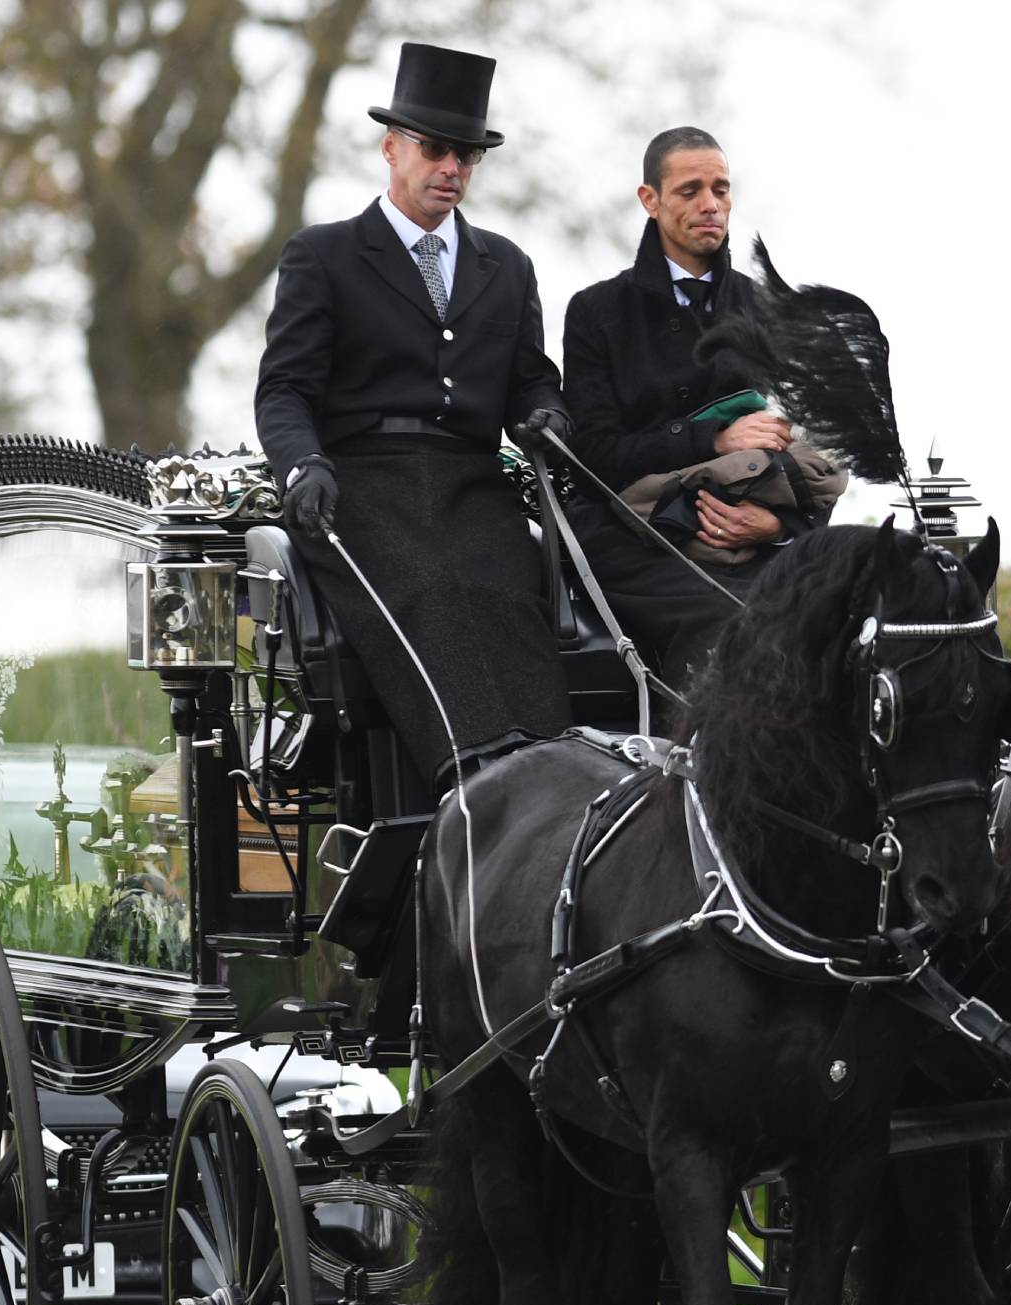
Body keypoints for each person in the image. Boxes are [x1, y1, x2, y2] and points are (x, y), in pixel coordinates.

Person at [255, 42, 572, 789]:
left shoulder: (508, 265)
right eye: (434, 150)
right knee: (431, 586)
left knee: (507, 588)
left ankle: (547, 774)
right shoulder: (324, 255)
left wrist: (547, 416)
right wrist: (303, 464)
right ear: (391, 148)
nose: (451, 170)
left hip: (471, 485)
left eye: (466, 156)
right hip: (358, 488)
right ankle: (478, 780)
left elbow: (532, 382)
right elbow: (285, 390)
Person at [561, 127, 824, 688]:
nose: (711, 205)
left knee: (837, 620)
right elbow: (593, 455)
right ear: (649, 200)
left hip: (757, 538)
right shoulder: (596, 311)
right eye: (690, 190)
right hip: (632, 536)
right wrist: (713, 440)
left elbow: (813, 451)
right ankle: (698, 771)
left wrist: (777, 523)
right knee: (737, 626)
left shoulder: (767, 311)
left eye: (721, 189)